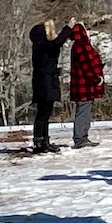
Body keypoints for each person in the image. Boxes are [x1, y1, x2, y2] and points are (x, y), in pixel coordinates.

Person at [28, 18, 71, 154]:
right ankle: (39, 142)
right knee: (43, 114)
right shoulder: (42, 45)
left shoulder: (39, 46)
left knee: (44, 113)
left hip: (45, 82)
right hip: (45, 83)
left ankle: (43, 141)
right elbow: (56, 43)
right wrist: (68, 28)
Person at [68, 20, 105, 148]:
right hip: (85, 86)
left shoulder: (78, 46)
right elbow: (88, 66)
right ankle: (80, 138)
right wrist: (97, 79)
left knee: (85, 110)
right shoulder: (82, 46)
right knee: (84, 111)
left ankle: (82, 137)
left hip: (82, 85)